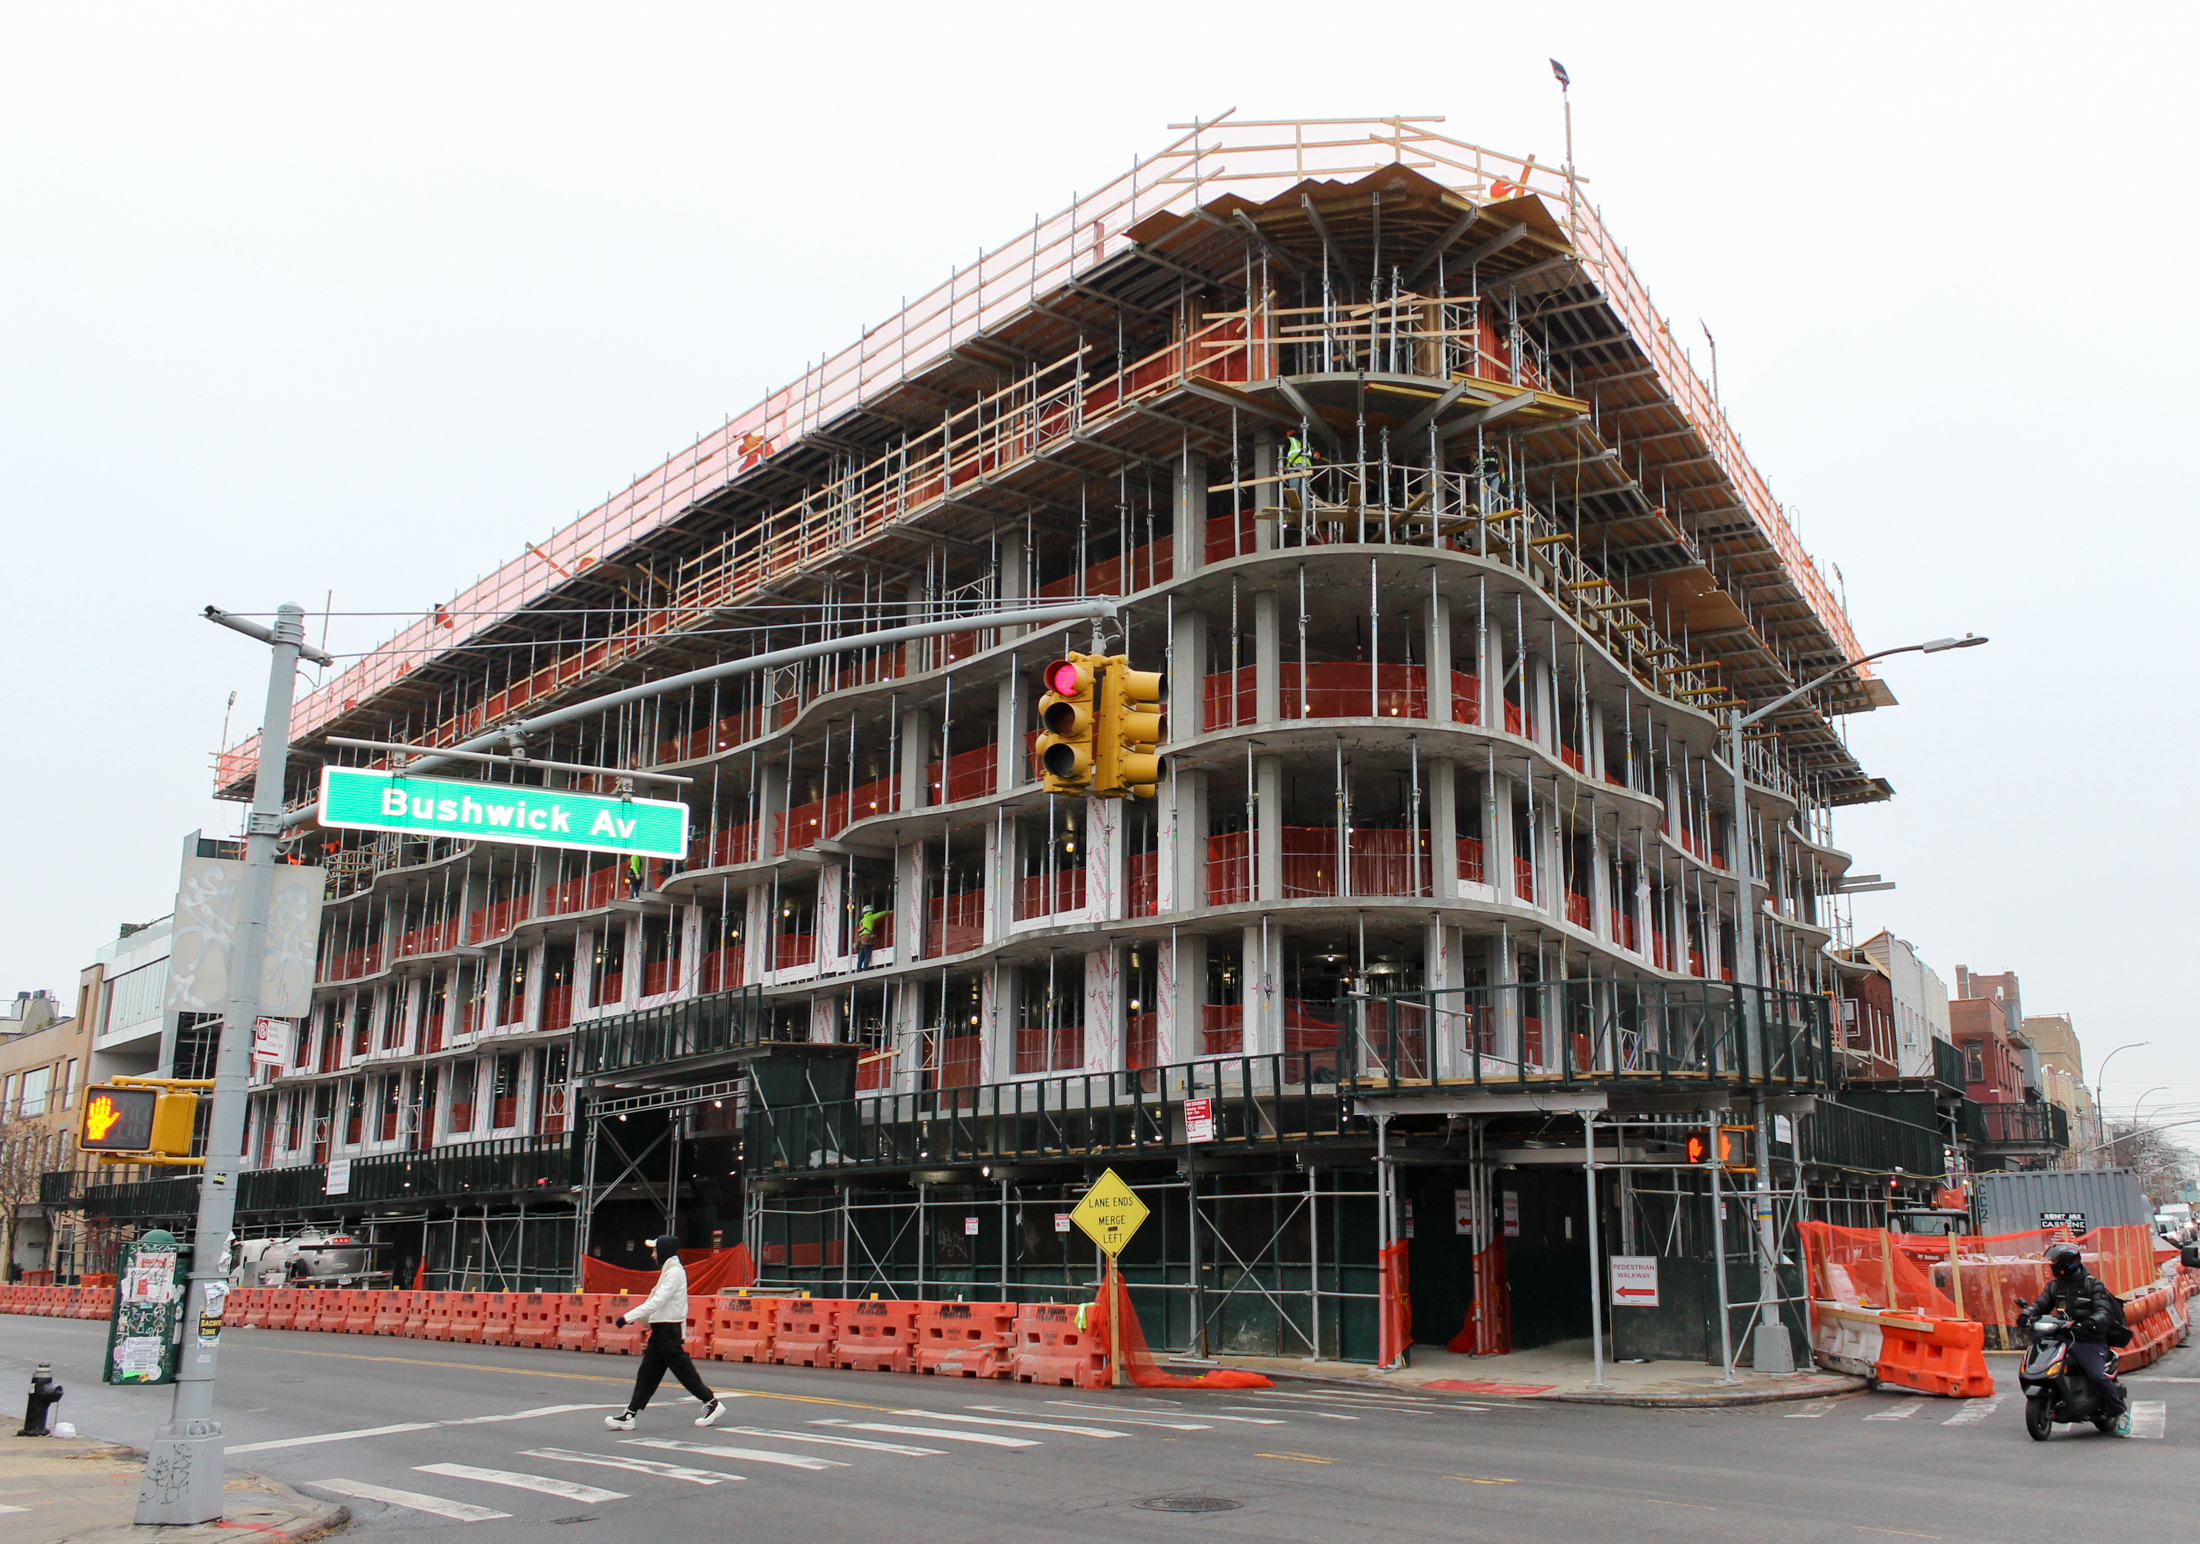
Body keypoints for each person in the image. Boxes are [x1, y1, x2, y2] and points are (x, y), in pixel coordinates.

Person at [605, 1235, 722, 1431]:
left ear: (664, 1251)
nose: (653, 1255)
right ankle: (630, 1414)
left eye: (655, 1250)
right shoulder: (668, 1270)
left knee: (683, 1371)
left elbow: (657, 1301)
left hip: (668, 1331)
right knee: (647, 1373)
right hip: (661, 1331)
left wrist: (628, 1317)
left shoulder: (674, 1272)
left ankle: (712, 1403)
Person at [2024, 1240, 2130, 1436]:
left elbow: (2103, 1310)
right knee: (2039, 1345)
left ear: (2066, 1263)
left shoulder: (2092, 1284)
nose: (2052, 1266)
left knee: (2096, 1375)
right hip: (2062, 1335)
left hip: (2089, 1339)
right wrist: (2027, 1314)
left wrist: (2093, 1321)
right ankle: (2060, 1395)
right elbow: (2040, 1305)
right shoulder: (2054, 1286)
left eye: (2055, 1262)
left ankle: (2121, 1412)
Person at [855, 901, 888, 970]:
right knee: (867, 955)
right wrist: (889, 912)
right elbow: (880, 914)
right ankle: (865, 969)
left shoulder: (862, 920)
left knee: (861, 955)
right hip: (868, 938)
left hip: (862, 939)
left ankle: (858, 970)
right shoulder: (870, 917)